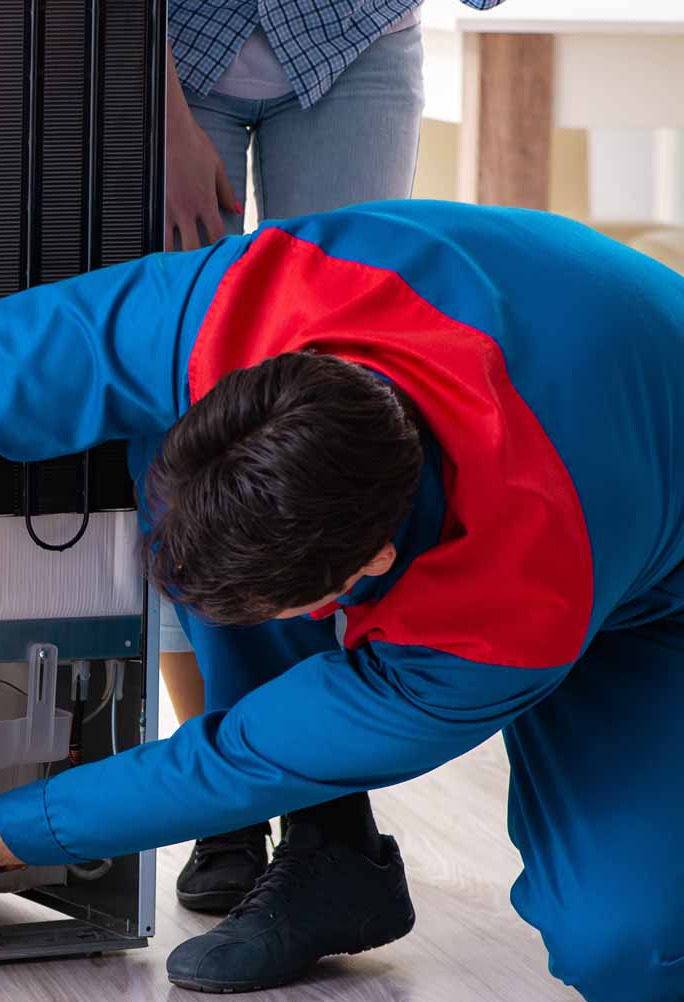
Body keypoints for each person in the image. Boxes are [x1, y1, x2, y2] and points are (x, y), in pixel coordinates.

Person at [0, 201, 684, 1002]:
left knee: (635, 957)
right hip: (562, 377)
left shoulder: (494, 616)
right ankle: (335, 858)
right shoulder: (250, 306)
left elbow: (231, 760)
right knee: (183, 470)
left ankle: (681, 799)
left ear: (371, 569)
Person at [162, 0, 505, 915]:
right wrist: (147, 108)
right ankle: (223, 794)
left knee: (339, 408)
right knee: (188, 412)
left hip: (353, 43)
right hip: (169, 52)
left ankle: (319, 795)